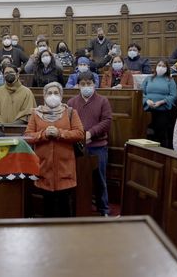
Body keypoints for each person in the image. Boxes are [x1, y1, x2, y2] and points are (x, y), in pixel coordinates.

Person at [25, 82, 84, 217]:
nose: (53, 96)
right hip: (44, 167)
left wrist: (60, 133)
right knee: (47, 209)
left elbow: (79, 133)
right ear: (44, 96)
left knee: (65, 208)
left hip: (65, 168)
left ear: (61, 95)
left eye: (56, 93)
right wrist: (43, 134)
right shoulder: (35, 113)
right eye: (49, 93)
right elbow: (28, 136)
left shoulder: (70, 112)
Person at [67, 72, 113, 216]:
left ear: (94, 84)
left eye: (89, 84)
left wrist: (91, 133)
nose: (86, 87)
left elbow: (106, 122)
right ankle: (77, 208)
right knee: (77, 179)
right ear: (78, 86)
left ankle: (103, 209)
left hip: (97, 146)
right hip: (77, 147)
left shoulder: (103, 101)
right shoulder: (71, 102)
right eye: (83, 84)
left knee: (100, 179)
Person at [142, 60, 177, 148]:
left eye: (163, 66)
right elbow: (141, 93)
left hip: (163, 110)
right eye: (159, 65)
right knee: (146, 132)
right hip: (148, 110)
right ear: (156, 67)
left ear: (167, 69)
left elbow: (173, 95)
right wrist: (147, 100)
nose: (161, 67)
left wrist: (162, 102)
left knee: (161, 133)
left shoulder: (170, 80)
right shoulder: (148, 79)